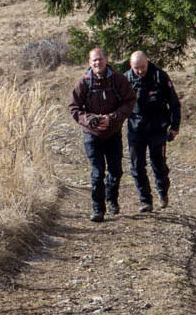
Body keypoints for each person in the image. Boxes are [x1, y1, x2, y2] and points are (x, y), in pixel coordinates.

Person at [69, 46, 135, 223]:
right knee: (98, 173)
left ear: (106, 59)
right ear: (89, 63)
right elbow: (74, 108)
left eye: (100, 59)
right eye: (94, 60)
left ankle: (112, 199)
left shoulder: (118, 79)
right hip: (92, 134)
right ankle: (98, 209)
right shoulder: (83, 82)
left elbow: (129, 101)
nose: (97, 62)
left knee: (115, 171)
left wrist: (113, 118)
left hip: (113, 132)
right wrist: (89, 119)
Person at [125, 50, 181, 213]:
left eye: (143, 67)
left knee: (158, 164)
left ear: (148, 62)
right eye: (137, 68)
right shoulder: (126, 79)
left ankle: (162, 192)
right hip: (135, 128)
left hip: (157, 127)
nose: (140, 71)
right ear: (131, 66)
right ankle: (145, 201)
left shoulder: (160, 77)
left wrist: (175, 126)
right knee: (137, 166)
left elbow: (174, 103)